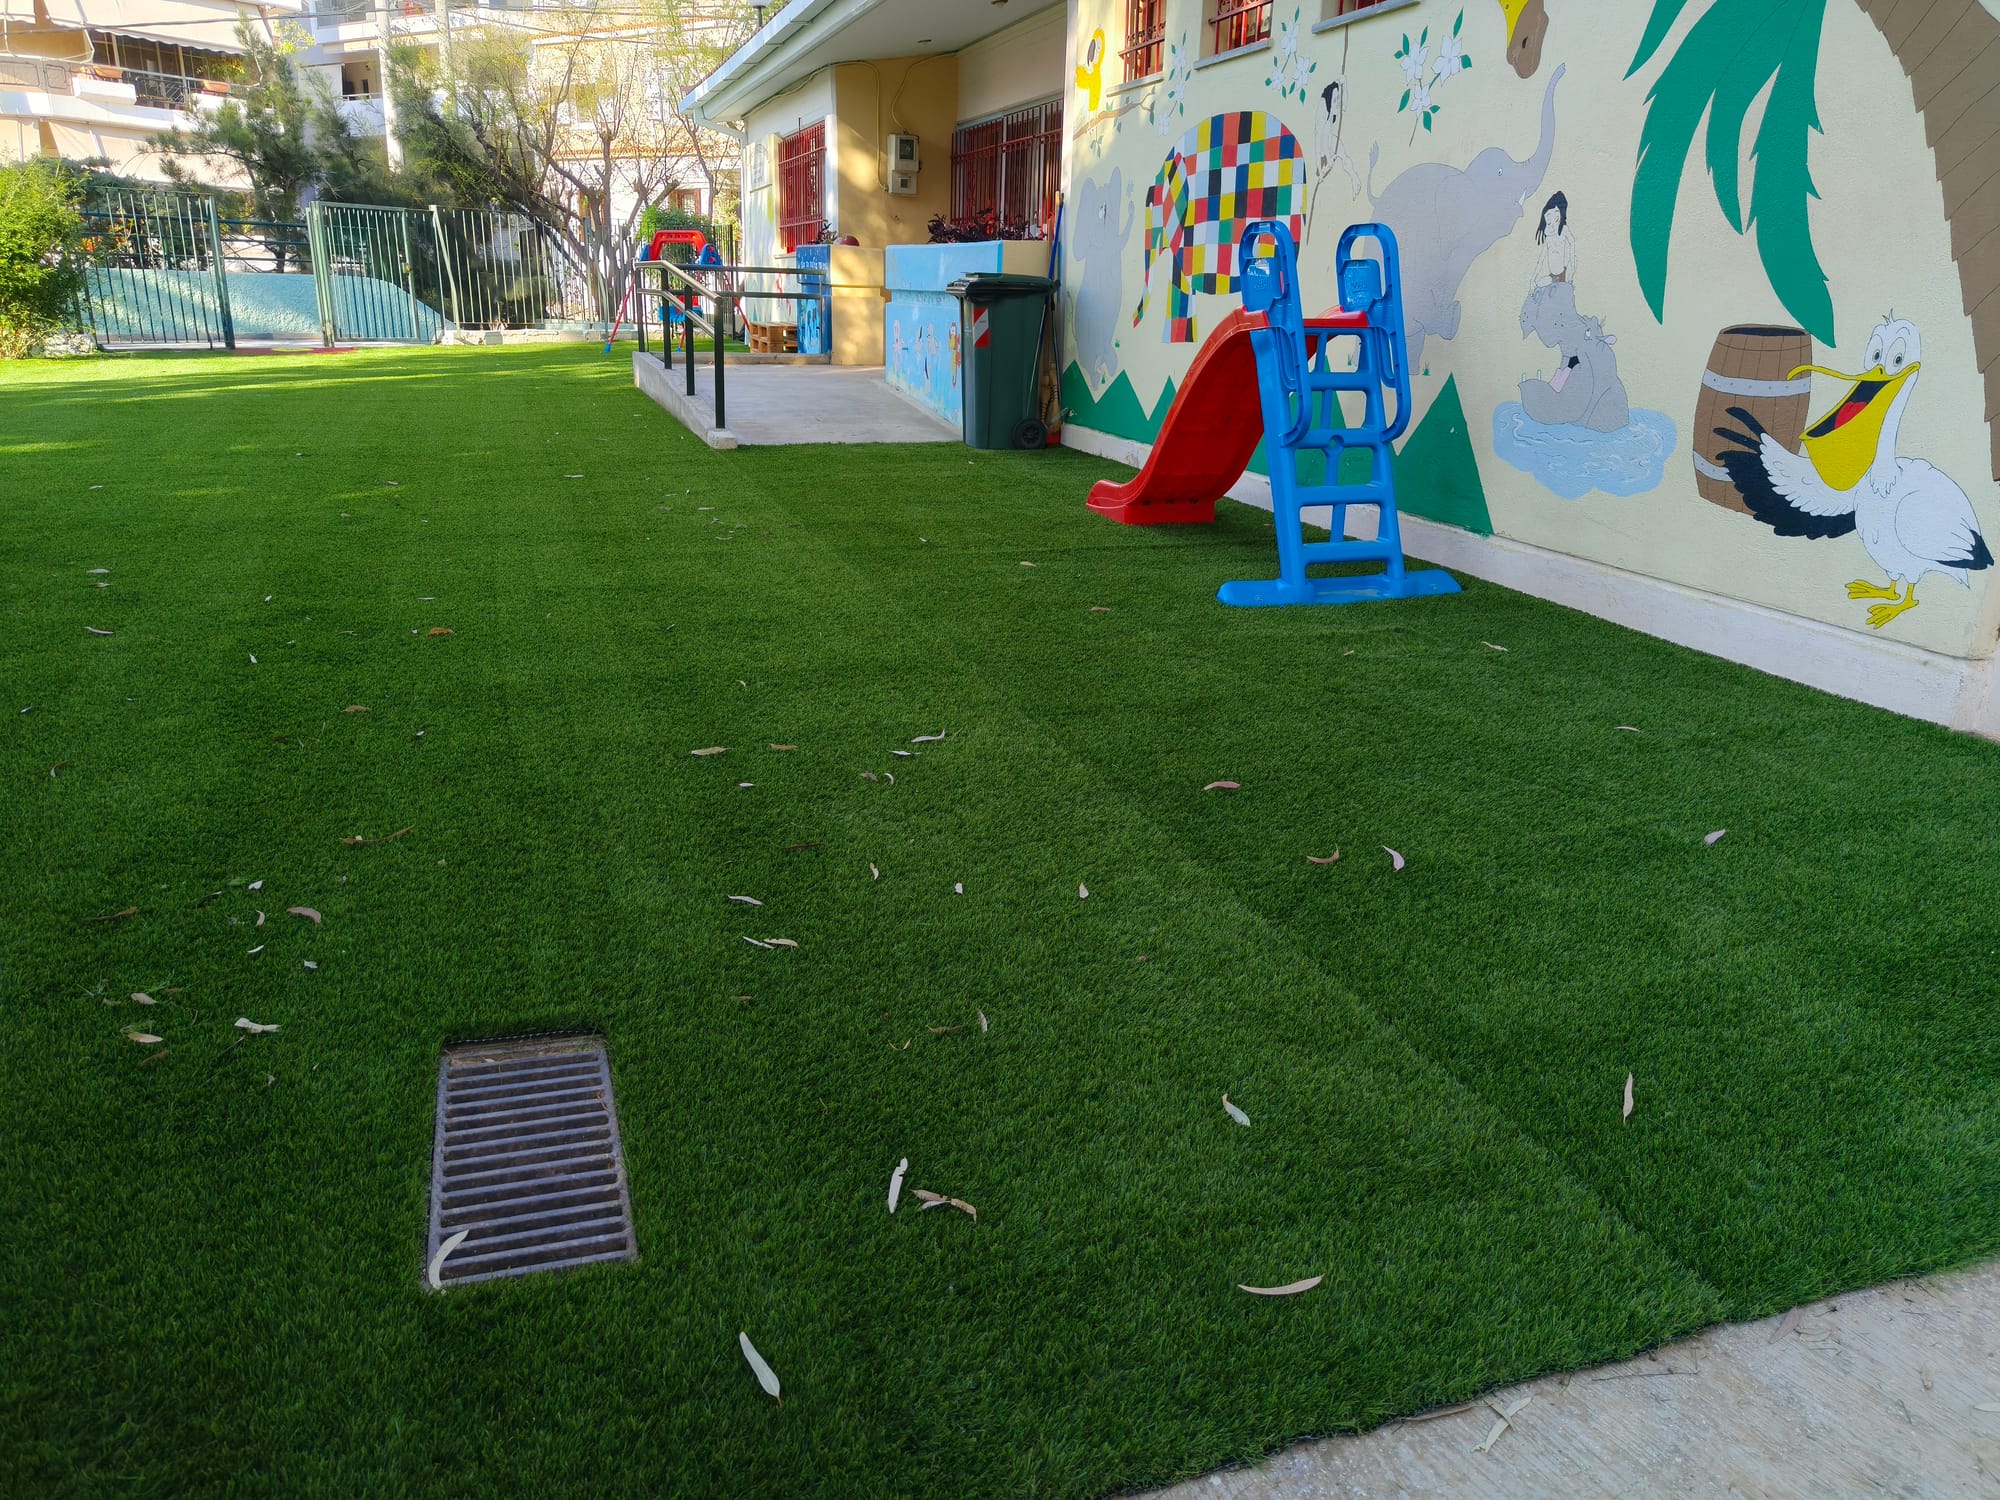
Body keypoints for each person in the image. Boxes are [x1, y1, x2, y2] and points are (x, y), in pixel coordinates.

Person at [1531, 191, 1574, 290]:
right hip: (1552, 277)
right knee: (1541, 285)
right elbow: (1541, 259)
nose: (1552, 223)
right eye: (1549, 220)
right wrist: (1533, 279)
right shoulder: (1548, 237)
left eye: (1556, 218)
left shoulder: (1563, 230)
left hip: (1563, 275)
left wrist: (1572, 270)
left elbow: (1572, 243)